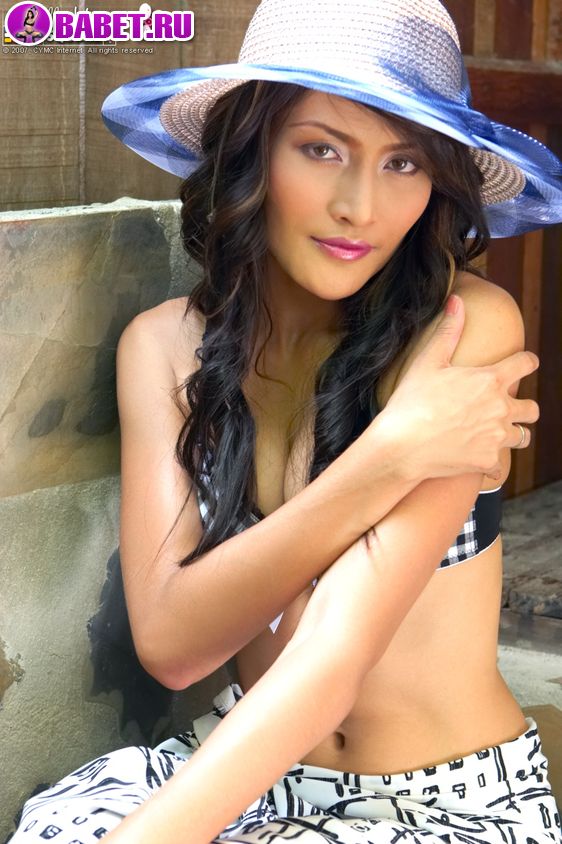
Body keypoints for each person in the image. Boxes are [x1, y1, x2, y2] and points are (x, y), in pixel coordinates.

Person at [11, 0, 562, 842]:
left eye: (404, 163)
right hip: (246, 777)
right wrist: (387, 456)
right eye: (321, 149)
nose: (360, 207)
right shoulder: (162, 347)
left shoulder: (464, 328)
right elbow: (173, 645)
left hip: (442, 803)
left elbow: (331, 662)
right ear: (253, 148)